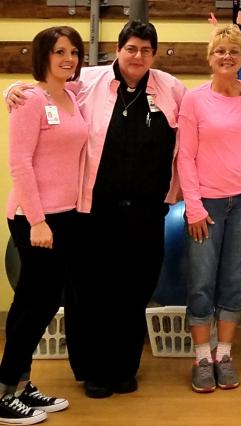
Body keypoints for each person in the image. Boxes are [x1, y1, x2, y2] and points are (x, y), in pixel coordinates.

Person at [4, 20, 187, 399]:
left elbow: (200, 122)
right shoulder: (88, 80)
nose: (138, 56)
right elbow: (44, 91)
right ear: (118, 49)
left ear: (154, 54)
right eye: (131, 48)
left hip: (147, 212)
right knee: (89, 291)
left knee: (134, 291)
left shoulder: (172, 88)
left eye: (146, 50)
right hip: (93, 211)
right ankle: (92, 370)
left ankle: (123, 368)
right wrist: (13, 88)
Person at [0, 25, 84, 425]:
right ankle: (4, 391)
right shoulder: (29, 100)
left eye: (73, 52)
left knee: (41, 301)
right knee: (36, 303)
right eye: (59, 52)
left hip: (65, 215)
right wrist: (37, 220)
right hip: (35, 219)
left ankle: (20, 381)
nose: (68, 58)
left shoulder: (71, 96)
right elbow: (20, 162)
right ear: (43, 56)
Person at [177, 24, 241, 393]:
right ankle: (201, 357)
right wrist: (193, 206)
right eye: (219, 51)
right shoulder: (194, 100)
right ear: (209, 58)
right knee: (201, 283)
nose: (226, 56)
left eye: (233, 51)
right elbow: (185, 156)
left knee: (234, 281)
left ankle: (223, 354)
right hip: (206, 204)